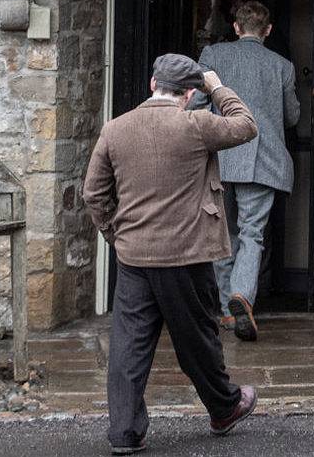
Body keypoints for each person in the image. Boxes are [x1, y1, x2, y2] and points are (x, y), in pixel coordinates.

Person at [84, 53, 261, 455]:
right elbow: (247, 125)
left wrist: (117, 234)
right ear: (189, 94)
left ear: (152, 84)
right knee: (197, 339)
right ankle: (225, 407)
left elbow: (93, 194)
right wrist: (217, 88)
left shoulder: (115, 129)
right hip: (187, 254)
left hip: (134, 257)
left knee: (128, 345)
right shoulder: (196, 124)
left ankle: (125, 433)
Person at [193, 1, 301, 343]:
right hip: (263, 160)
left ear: (236, 27)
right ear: (267, 31)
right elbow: (292, 117)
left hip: (220, 157)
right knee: (252, 233)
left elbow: (196, 104)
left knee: (222, 235)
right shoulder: (282, 65)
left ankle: (228, 308)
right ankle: (243, 296)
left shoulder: (213, 56)